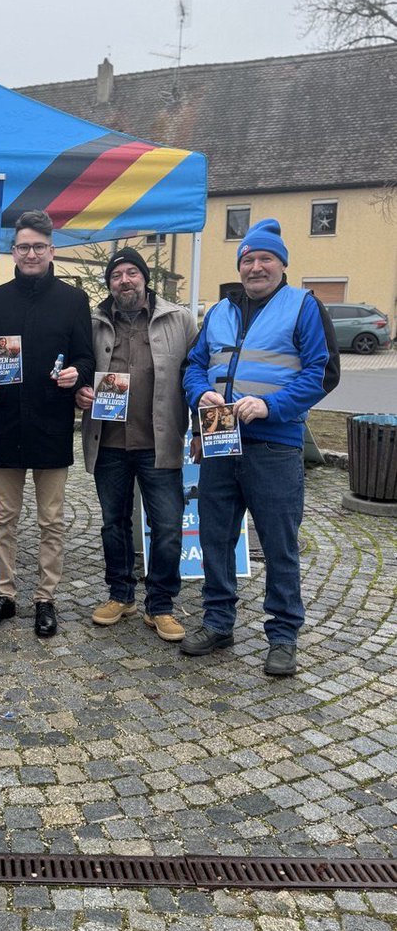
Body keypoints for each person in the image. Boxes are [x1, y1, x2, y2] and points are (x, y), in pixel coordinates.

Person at [181, 218, 340, 677]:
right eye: (247, 259)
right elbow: (193, 367)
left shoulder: (302, 306)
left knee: (278, 544)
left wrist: (271, 406)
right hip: (218, 438)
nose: (255, 267)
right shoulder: (218, 312)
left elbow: (322, 373)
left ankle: (284, 636)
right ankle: (218, 622)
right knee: (215, 538)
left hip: (274, 445)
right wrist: (198, 394)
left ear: (282, 264)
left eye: (265, 258)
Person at [0, 210, 94, 638]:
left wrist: (78, 374)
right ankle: (5, 595)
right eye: (23, 246)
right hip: (5, 422)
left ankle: (45, 598)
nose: (31, 253)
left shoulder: (74, 301)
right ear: (14, 251)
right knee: (4, 517)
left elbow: (86, 358)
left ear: (52, 249)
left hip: (51, 422)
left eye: (39, 246)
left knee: (51, 520)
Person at [76, 247, 197, 643]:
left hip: (158, 442)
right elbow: (78, 371)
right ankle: (121, 594)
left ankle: (160, 604)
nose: (124, 280)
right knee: (114, 524)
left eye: (132, 273)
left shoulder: (178, 319)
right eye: (116, 275)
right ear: (108, 283)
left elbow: (198, 372)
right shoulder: (92, 323)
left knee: (166, 526)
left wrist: (199, 430)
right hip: (108, 441)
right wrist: (79, 393)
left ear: (145, 279)